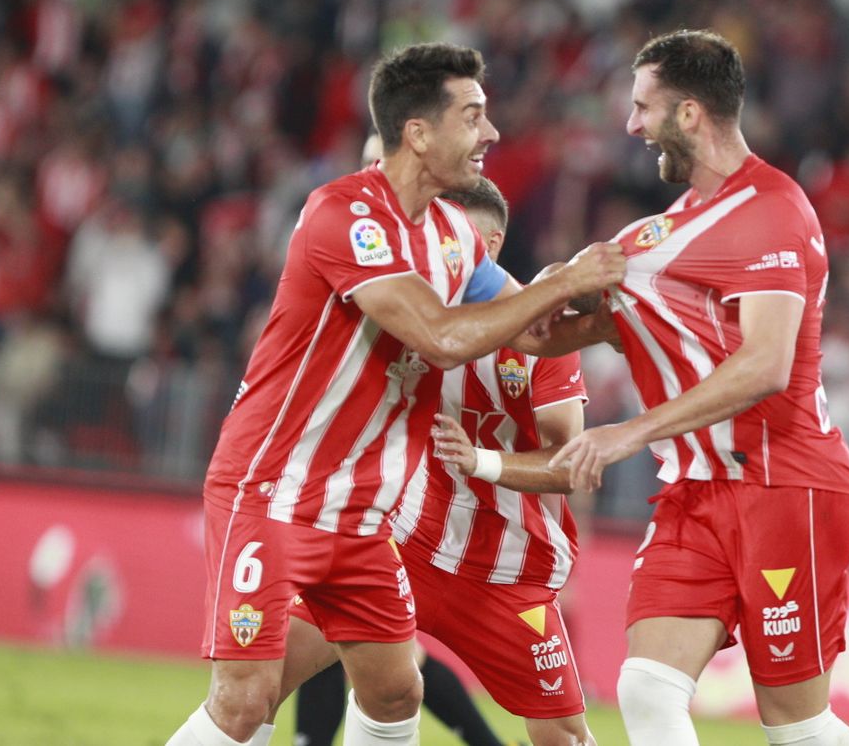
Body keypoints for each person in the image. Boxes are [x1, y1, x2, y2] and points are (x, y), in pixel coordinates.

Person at [165, 43, 624, 746]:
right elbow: (438, 335)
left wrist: (609, 324)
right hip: (274, 489)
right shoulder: (346, 216)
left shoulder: (450, 235)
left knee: (394, 687)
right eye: (473, 117)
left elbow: (525, 333)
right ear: (419, 133)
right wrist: (562, 280)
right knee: (246, 700)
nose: (491, 135)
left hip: (362, 508)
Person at [550, 30, 849, 746]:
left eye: (643, 107)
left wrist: (631, 431)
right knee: (646, 689)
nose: (631, 125)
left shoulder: (772, 210)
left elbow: (766, 366)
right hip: (694, 491)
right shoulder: (661, 233)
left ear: (689, 113)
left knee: (796, 725)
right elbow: (552, 328)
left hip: (785, 487)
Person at [291, 175, 596, 746]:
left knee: (564, 736)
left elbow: (569, 463)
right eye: (436, 235)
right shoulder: (411, 317)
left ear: (495, 243)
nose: (446, 250)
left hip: (509, 570)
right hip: (403, 541)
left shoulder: (542, 336)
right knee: (260, 675)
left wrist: (481, 462)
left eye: (460, 238)